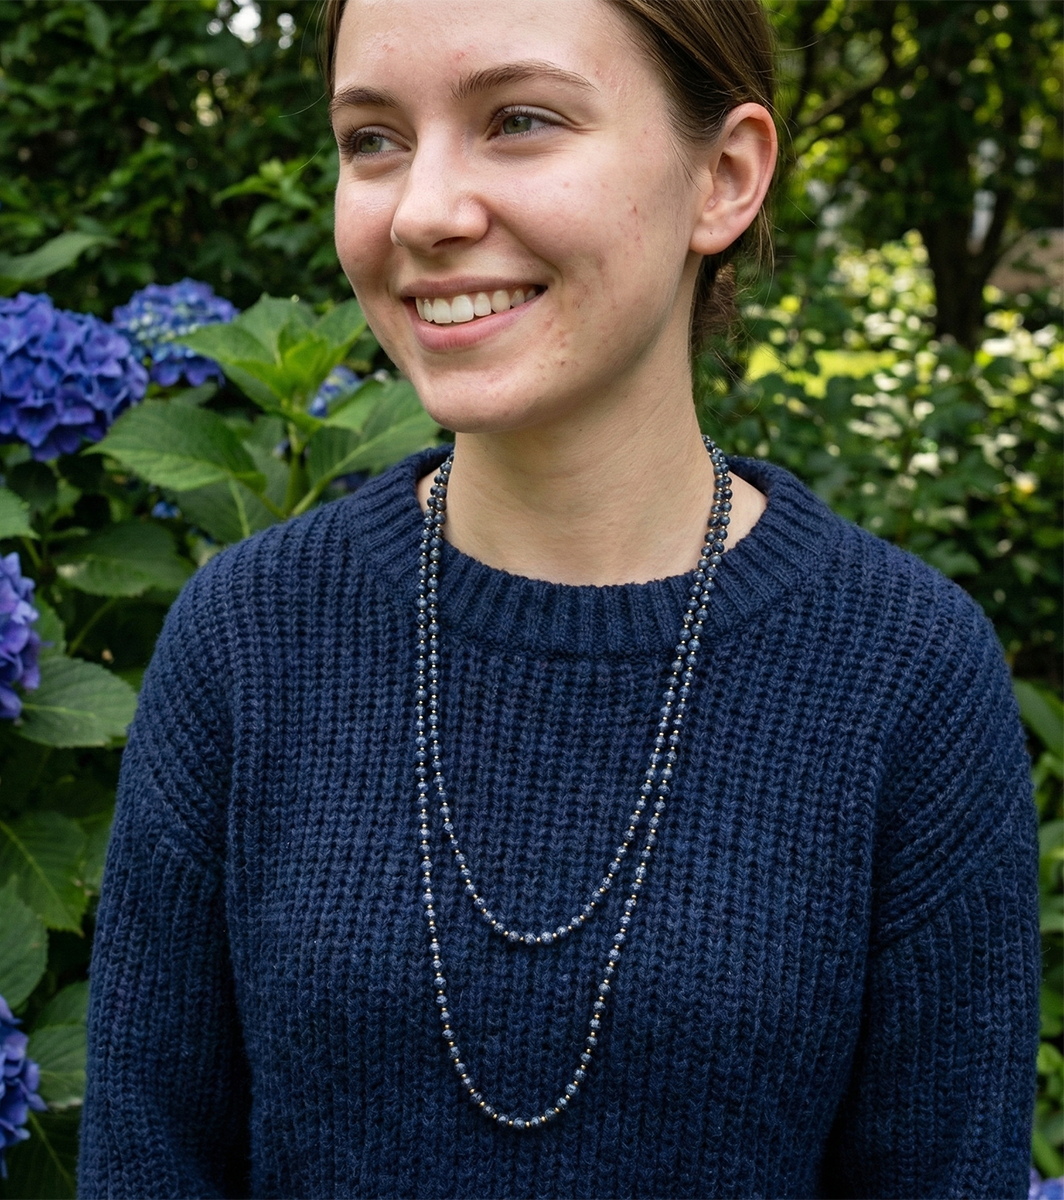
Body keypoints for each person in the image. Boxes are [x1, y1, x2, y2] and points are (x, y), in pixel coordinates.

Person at [78, 0, 1039, 1194]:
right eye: (373, 138)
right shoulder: (245, 644)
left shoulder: (905, 676)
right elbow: (148, 1165)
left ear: (724, 179)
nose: (424, 209)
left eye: (519, 120)